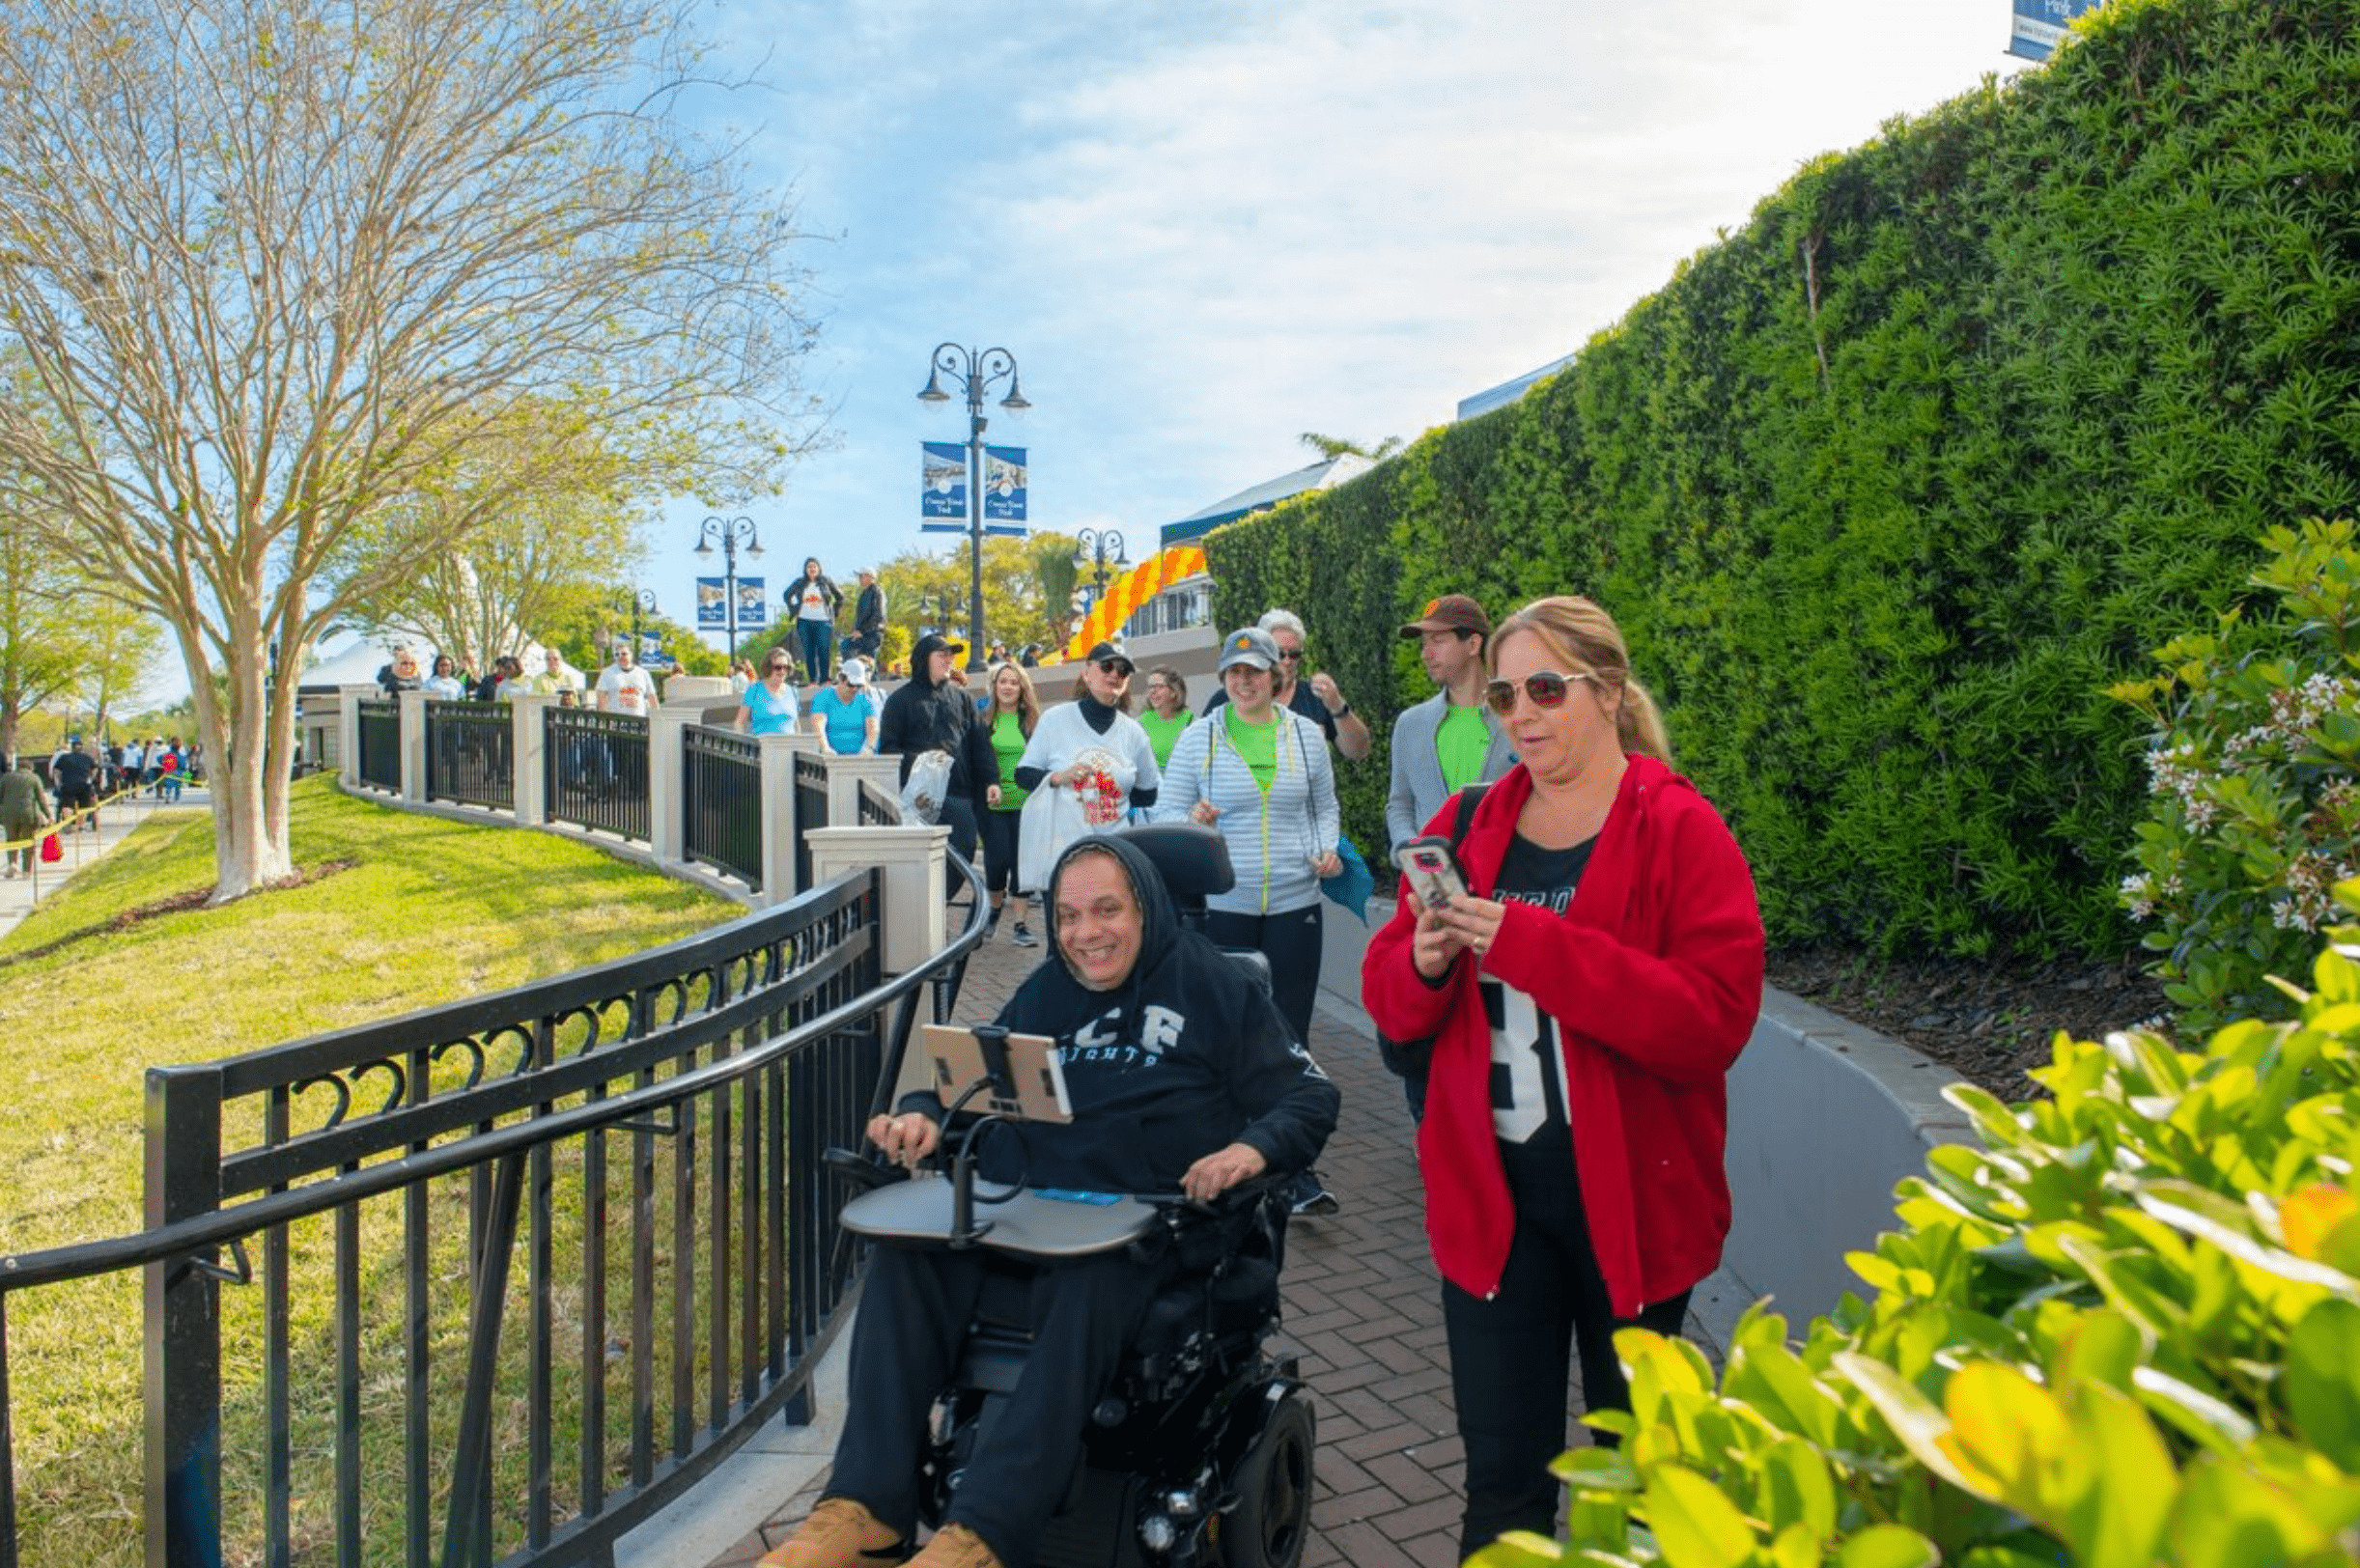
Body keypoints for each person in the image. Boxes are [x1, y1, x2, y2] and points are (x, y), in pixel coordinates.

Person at [758, 834, 1339, 1568]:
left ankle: (982, 1536)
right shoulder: (1050, 987)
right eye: (1068, 917)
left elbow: (1309, 1094)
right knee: (908, 1262)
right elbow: (967, 1073)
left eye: (1106, 911)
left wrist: (1248, 1149)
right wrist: (922, 1115)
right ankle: (865, 1508)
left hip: (1141, 1220)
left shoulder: (1215, 985)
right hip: (1025, 1209)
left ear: (1146, 908)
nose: (1085, 934)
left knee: (1088, 1277)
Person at [1360, 595, 1764, 1559]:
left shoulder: (1676, 825)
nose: (1519, 714)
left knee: (1638, 1486)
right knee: (1501, 1484)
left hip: (1634, 1210)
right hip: (1492, 1210)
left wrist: (1535, 944)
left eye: (1546, 687)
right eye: (1502, 693)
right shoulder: (1468, 821)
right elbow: (1388, 995)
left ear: (1609, 690)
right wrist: (1420, 957)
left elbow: (1710, 1019)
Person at [1152, 628, 1338, 1057]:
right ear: (1222, 679)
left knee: (1291, 1027)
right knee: (1226, 1021)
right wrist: (1193, 820)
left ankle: (1289, 1112)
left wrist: (1325, 847)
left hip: (1296, 900)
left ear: (1275, 675)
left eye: (1254, 670)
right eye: (1233, 672)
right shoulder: (1199, 736)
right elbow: (1166, 813)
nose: (1244, 681)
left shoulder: (1308, 735)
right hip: (1224, 903)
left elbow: (1325, 808)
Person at [1382, 594, 1519, 1120]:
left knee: (1490, 1027)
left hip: (1499, 902)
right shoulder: (1411, 724)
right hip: (1430, 903)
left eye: (1438, 640)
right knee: (1426, 1017)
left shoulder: (1514, 715)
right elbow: (1400, 803)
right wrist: (1405, 851)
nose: (1426, 653)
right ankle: (1433, 1135)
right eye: (1424, 642)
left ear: (1474, 644)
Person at [1013, 641, 1162, 871]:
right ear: (1086, 672)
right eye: (1107, 666)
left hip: (1115, 854)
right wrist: (1059, 778)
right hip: (1063, 853)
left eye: (1123, 670)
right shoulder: (1055, 719)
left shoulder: (1134, 733)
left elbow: (1148, 793)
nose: (1115, 674)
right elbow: (1023, 774)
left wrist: (1109, 798)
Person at [876, 633, 997, 865]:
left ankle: (941, 901)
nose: (949, 660)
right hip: (919, 797)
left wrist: (991, 780)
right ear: (924, 659)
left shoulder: (963, 699)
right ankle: (929, 902)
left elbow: (980, 743)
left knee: (963, 853)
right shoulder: (899, 701)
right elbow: (889, 749)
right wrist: (924, 761)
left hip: (959, 793)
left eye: (951, 656)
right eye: (942, 655)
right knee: (918, 860)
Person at [1202, 608, 1371, 761]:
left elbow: (1358, 751)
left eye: (1294, 654)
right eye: (1279, 653)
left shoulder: (1314, 697)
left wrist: (1337, 706)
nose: (1287, 661)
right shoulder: (1226, 698)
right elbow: (1198, 758)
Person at [978, 662, 1041, 946]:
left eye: (1014, 683)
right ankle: (992, 909)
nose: (1007, 687)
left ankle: (1020, 924)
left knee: (1022, 864)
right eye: (1003, 681)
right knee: (996, 861)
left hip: (1026, 804)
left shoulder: (1033, 722)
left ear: (1022, 688)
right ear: (994, 686)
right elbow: (976, 762)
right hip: (993, 804)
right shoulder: (983, 721)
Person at [786, 557, 844, 685]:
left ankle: (825, 679)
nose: (812, 569)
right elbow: (786, 595)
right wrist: (793, 608)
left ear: (818, 569)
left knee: (824, 650)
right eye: (809, 567)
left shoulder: (826, 581)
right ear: (805, 570)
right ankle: (813, 680)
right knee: (809, 651)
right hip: (804, 621)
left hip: (823, 621)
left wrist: (834, 612)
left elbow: (840, 597)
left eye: (814, 567)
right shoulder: (799, 583)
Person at [807, 658, 882, 755]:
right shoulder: (822, 697)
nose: (855, 689)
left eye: (858, 685)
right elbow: (818, 729)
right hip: (831, 759)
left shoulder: (866, 699)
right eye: (851, 684)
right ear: (842, 679)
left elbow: (873, 729)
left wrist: (869, 749)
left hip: (861, 759)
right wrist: (825, 749)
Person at [2, 755, 53, 878]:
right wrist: (48, 815)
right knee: (28, 840)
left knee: (11, 839)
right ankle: (27, 870)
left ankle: (12, 864)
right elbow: (41, 799)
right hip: (27, 813)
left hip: (8, 814)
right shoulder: (34, 778)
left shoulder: (6, 777)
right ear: (30, 768)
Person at [1137, 666, 1193, 772]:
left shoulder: (1191, 721)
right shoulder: (1140, 723)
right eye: (1150, 687)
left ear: (1174, 692)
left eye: (1159, 687)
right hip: (1152, 787)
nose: (1153, 691)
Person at [736, 648, 802, 736]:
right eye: (778, 667)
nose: (782, 671)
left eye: (786, 667)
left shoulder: (793, 692)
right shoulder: (754, 690)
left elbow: (796, 725)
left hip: (789, 747)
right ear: (768, 668)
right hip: (762, 746)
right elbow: (739, 723)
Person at [51, 738, 99, 833]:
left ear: (72, 747)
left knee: (67, 806)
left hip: (68, 784)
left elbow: (56, 771)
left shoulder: (64, 758)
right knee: (83, 806)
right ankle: (81, 826)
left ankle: (68, 825)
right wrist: (91, 778)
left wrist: (58, 782)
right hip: (84, 785)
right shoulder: (88, 758)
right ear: (82, 747)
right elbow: (95, 769)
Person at [596, 641, 656, 715]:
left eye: (624, 654)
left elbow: (652, 697)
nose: (620, 656)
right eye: (617, 654)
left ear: (631, 655)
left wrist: (657, 717)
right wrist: (605, 716)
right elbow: (601, 695)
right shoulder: (607, 673)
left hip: (639, 721)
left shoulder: (643, 674)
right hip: (616, 722)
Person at [851, 569, 885, 661]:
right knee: (847, 647)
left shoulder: (877, 592)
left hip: (872, 634)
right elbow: (860, 616)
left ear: (870, 577)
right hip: (863, 634)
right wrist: (855, 630)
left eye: (863, 575)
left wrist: (861, 631)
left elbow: (878, 616)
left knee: (869, 665)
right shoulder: (864, 594)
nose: (860, 578)